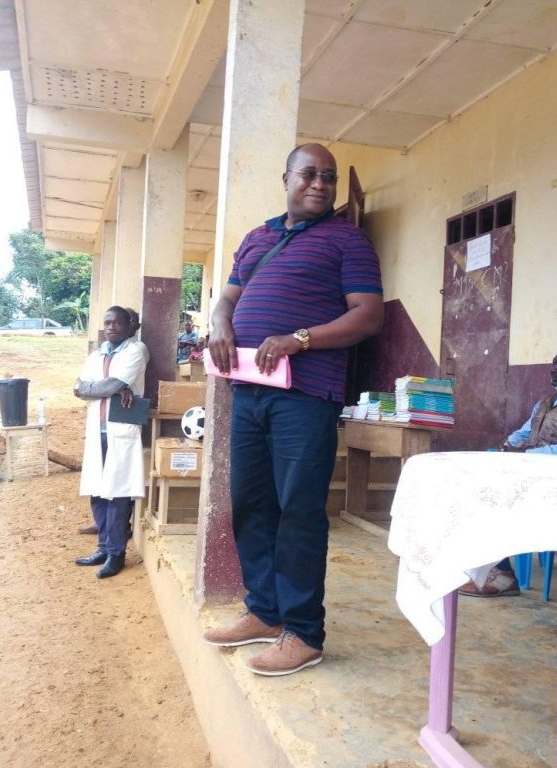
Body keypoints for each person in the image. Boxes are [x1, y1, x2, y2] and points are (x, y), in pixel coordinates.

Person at [203, 143, 383, 676]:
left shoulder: (349, 241)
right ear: (286, 179)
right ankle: (264, 611)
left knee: (299, 511)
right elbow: (227, 298)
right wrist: (219, 325)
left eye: (328, 177)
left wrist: (299, 339)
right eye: (309, 174)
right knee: (250, 502)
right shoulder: (257, 237)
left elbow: (368, 315)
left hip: (306, 395)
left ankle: (303, 633)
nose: (319, 184)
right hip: (249, 390)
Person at [458, 338, 557, 597]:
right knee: (475, 489)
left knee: (495, 499)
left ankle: (503, 575)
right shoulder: (547, 401)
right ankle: (481, 567)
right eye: (554, 363)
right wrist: (507, 446)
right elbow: (524, 432)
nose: (554, 370)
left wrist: (528, 455)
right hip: (532, 472)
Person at [72, 306, 149, 579]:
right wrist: (106, 389)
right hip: (98, 429)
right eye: (107, 323)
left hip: (121, 429)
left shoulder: (135, 350)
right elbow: (78, 387)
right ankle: (103, 548)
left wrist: (107, 388)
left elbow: (110, 385)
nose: (111, 327)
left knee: (117, 492)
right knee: (97, 490)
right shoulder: (97, 354)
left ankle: (116, 554)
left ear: (129, 326)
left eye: (117, 322)